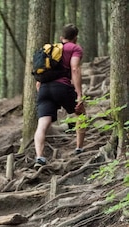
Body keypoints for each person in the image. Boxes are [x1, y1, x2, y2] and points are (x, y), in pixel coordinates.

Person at [34, 24, 86, 168]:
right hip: (62, 87)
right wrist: (79, 94)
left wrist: (42, 92)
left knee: (42, 124)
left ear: (61, 37)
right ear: (75, 37)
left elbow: (40, 74)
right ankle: (79, 148)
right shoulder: (74, 48)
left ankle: (39, 157)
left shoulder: (50, 49)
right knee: (80, 114)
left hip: (44, 88)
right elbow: (74, 69)